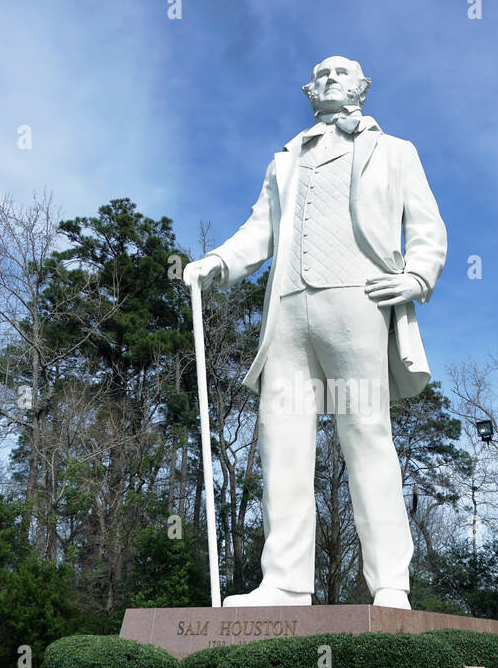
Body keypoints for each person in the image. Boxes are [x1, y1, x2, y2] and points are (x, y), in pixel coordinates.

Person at [183, 55, 447, 610]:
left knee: (366, 437)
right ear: (308, 90)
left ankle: (390, 585)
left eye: (340, 73)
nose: (329, 79)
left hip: (358, 302)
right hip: (288, 313)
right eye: (320, 74)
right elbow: (260, 231)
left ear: (362, 87)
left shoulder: (396, 152)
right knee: (282, 445)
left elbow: (427, 225)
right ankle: (284, 582)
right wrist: (217, 263)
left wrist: (418, 275)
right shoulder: (285, 160)